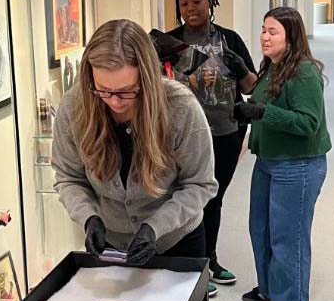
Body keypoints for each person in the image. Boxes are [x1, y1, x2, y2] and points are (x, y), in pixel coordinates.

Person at [52, 19, 217, 269]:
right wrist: (88, 217)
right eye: (103, 90)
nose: (115, 102)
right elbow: (68, 178)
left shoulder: (181, 108)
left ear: (148, 79)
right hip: (109, 244)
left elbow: (200, 184)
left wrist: (155, 227)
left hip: (176, 241)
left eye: (127, 91)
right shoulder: (74, 106)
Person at [234, 6, 330, 301]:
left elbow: (308, 123)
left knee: (288, 236)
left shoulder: (303, 71)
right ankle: (270, 288)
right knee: (260, 228)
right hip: (268, 161)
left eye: (272, 31)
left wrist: (262, 113)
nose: (264, 36)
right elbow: (259, 96)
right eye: (263, 29)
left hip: (298, 165)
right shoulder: (273, 67)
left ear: (291, 37)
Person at [165, 0, 257, 295]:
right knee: (187, 199)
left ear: (211, 1)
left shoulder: (229, 40)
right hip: (181, 137)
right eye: (183, 3)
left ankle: (209, 261)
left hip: (225, 134)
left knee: (213, 199)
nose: (190, 8)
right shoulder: (169, 42)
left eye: (196, 1)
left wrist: (241, 69)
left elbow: (253, 88)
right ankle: (192, 264)